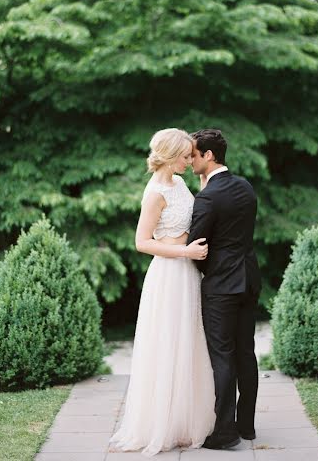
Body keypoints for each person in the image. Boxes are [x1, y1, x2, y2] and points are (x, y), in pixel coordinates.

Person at [109, 128, 215, 457]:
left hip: (188, 274)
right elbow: (142, 242)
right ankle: (162, 425)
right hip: (169, 274)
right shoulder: (155, 192)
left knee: (190, 342)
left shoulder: (181, 183)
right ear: (169, 157)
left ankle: (187, 421)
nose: (189, 160)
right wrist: (185, 253)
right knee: (168, 342)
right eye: (185, 156)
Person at [187, 128, 261, 450]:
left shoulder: (207, 197)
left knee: (223, 356)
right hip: (249, 279)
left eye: (193, 155)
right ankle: (247, 425)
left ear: (209, 156)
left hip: (221, 285)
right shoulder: (245, 186)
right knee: (246, 351)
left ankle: (224, 431)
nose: (190, 160)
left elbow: (197, 246)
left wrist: (208, 272)